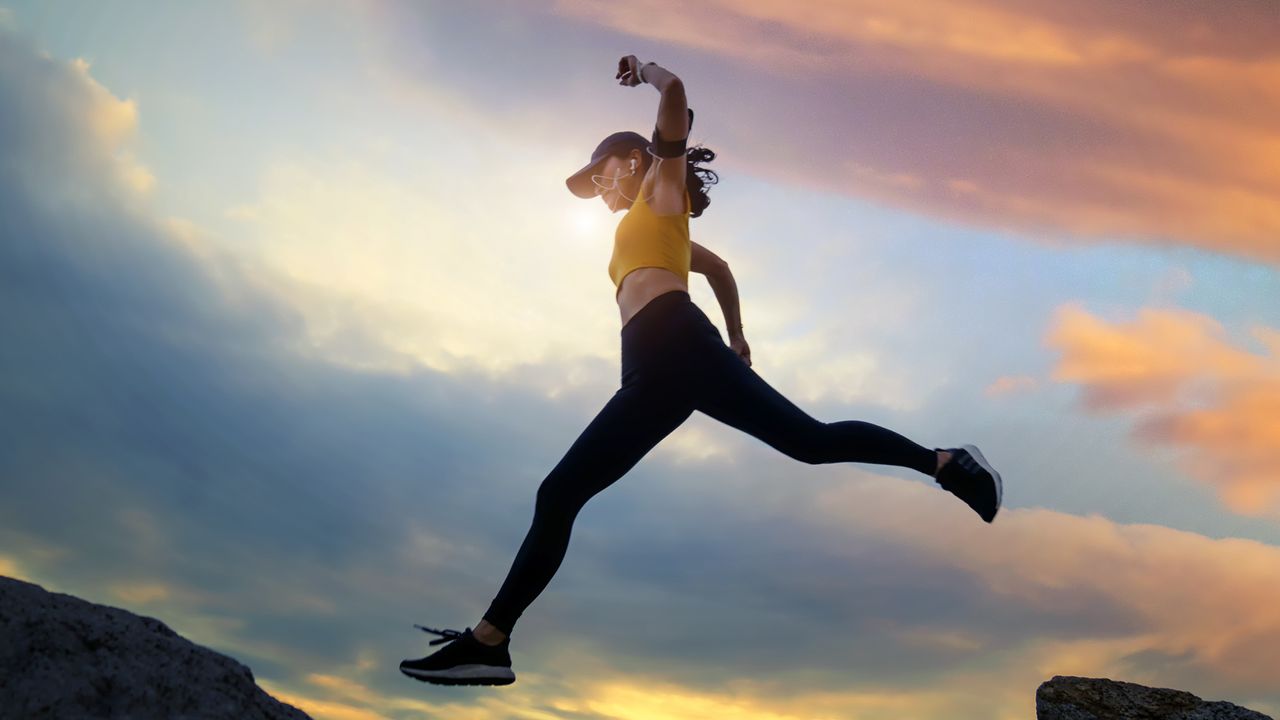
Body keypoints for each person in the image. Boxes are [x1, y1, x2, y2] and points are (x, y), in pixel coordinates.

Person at [400, 55, 1002, 687]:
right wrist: (739, 335)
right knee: (790, 446)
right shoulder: (653, 224)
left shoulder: (660, 189)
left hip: (674, 345)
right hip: (655, 370)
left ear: (633, 162)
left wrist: (649, 72)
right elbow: (717, 270)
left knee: (794, 445)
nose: (601, 193)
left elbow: (678, 94)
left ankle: (945, 462)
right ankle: (490, 645)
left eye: (602, 177)